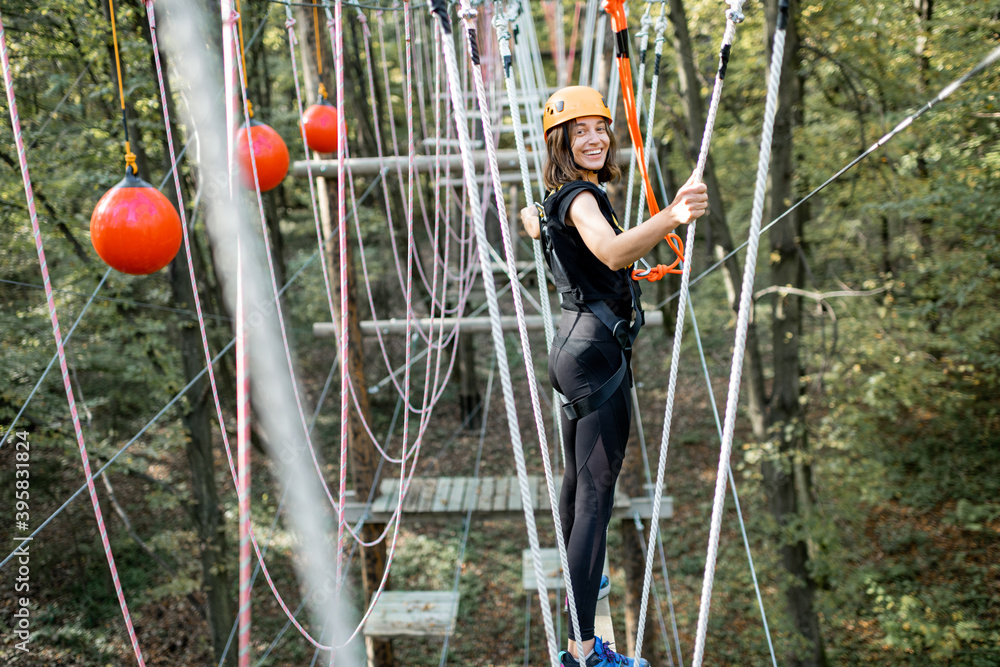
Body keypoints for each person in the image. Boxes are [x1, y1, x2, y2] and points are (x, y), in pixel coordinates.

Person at [520, 86, 708, 667]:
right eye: (580, 132)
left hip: (574, 349)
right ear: (561, 142)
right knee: (596, 500)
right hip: (596, 355)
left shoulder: (557, 198)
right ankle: (583, 651)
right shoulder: (581, 197)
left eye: (600, 128)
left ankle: (582, 600)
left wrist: (529, 217)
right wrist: (672, 215)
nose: (595, 138)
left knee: (581, 491)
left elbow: (536, 221)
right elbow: (611, 252)